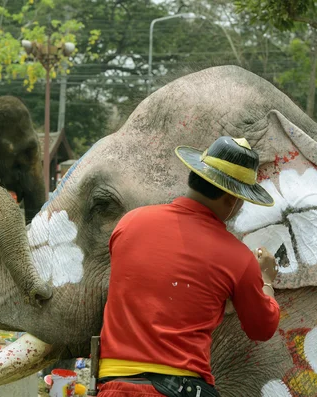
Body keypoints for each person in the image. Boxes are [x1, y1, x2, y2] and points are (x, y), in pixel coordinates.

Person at [97, 136, 281, 397]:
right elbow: (262, 328)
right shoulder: (238, 258)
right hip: (180, 389)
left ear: (194, 175)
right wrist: (266, 280)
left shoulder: (130, 223)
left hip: (113, 387)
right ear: (232, 199)